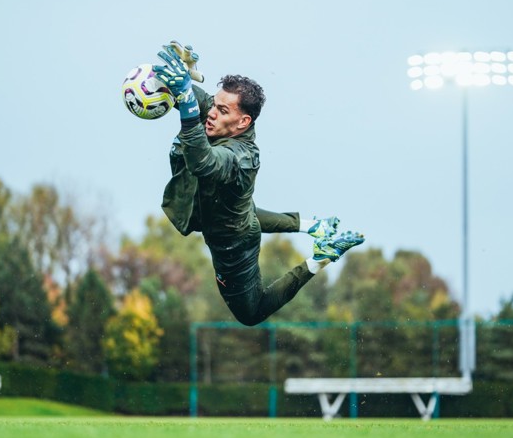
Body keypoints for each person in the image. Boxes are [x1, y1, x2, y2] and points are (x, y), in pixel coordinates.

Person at [151, 41, 365, 326]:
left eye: (223, 111)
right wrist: (181, 78)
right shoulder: (223, 116)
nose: (212, 113)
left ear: (243, 122)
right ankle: (315, 225)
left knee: (251, 314)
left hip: (232, 242)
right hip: (224, 210)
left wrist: (188, 106)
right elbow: (188, 95)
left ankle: (321, 258)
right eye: (214, 105)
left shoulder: (240, 157)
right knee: (243, 209)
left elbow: (203, 162)